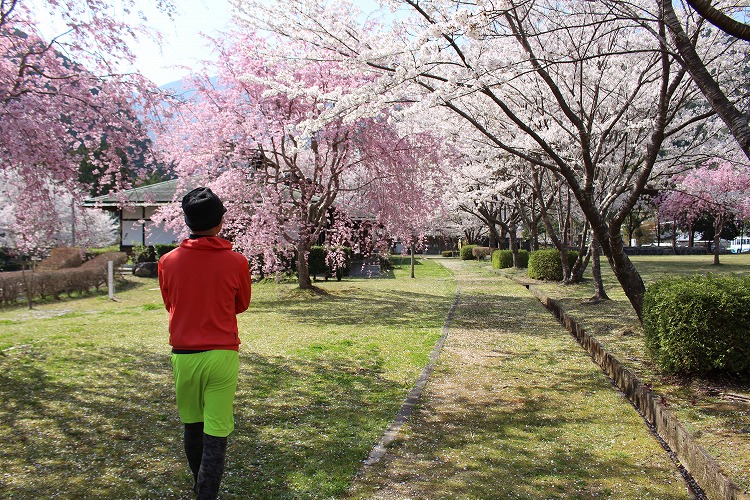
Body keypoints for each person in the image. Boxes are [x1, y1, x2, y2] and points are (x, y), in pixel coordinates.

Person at [158, 187, 252, 499]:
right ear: (221, 221)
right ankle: (206, 493)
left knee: (192, 424)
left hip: (183, 354)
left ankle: (199, 488)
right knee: (216, 431)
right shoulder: (236, 261)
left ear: (187, 221)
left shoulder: (167, 262)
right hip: (222, 354)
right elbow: (241, 304)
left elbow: (170, 302)